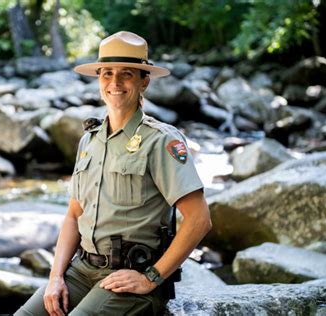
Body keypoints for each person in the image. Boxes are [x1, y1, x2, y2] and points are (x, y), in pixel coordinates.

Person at [15, 31, 212, 316]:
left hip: (130, 275)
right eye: (107, 73)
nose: (115, 83)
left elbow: (199, 220)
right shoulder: (89, 140)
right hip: (81, 271)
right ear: (99, 80)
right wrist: (55, 277)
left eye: (127, 74)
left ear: (144, 81)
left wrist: (151, 278)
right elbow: (74, 214)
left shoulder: (161, 141)